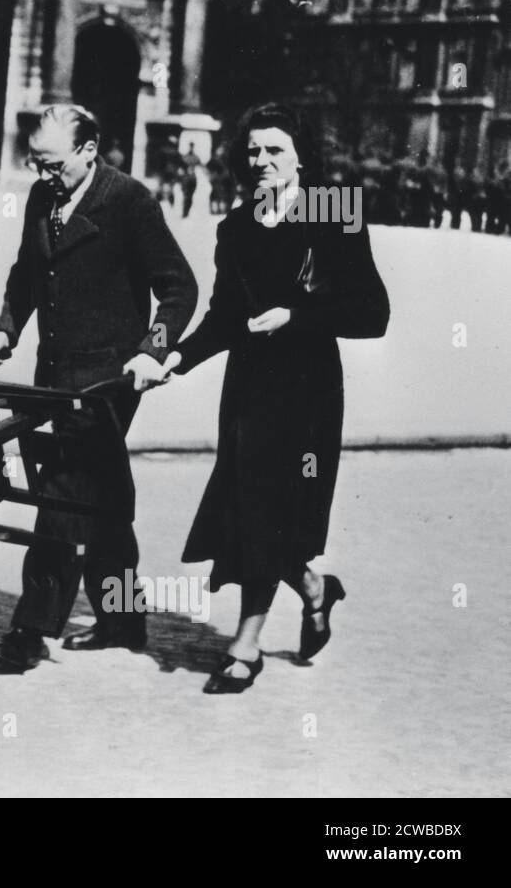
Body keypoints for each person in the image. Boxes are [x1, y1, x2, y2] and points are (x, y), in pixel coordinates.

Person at [161, 103, 389, 693]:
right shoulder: (235, 228)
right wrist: (176, 358)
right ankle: (314, 589)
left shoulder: (331, 211)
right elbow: (222, 319)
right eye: (254, 151)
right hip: (248, 389)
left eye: (275, 150)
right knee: (251, 511)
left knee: (266, 511)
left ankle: (245, 647)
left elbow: (373, 312)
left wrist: (297, 315)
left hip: (307, 389)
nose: (261, 161)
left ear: (301, 157)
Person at [0, 104, 198, 669]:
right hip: (53, 371)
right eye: (35, 165)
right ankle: (122, 618)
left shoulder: (127, 200)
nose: (43, 176)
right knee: (103, 495)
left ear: (88, 150)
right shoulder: (43, 196)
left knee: (62, 488)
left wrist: (154, 351)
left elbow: (179, 288)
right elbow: (28, 270)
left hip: (110, 376)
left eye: (53, 165)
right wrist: (8, 327)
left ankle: (30, 630)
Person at [181, 141, 202, 217]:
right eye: (190, 146)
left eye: (192, 147)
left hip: (193, 179)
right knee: (186, 196)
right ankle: (184, 212)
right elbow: (180, 168)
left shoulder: (196, 157)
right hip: (186, 179)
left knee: (190, 196)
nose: (191, 148)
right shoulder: (184, 157)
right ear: (189, 147)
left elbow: (201, 166)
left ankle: (187, 211)